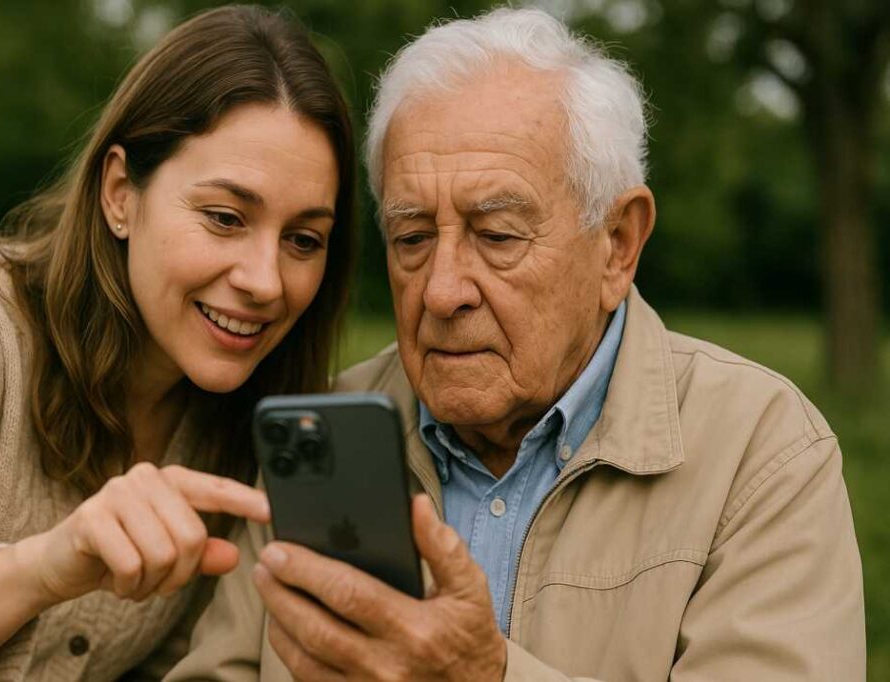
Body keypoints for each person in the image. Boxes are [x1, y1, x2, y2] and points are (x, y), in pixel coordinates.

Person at [166, 7, 866, 681]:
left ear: (618, 246)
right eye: (411, 238)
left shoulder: (761, 452)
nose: (442, 292)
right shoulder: (323, 434)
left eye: (497, 236)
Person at [0, 5, 356, 680]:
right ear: (121, 193)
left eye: (303, 239)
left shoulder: (253, 423)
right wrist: (42, 570)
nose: (265, 281)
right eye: (224, 218)